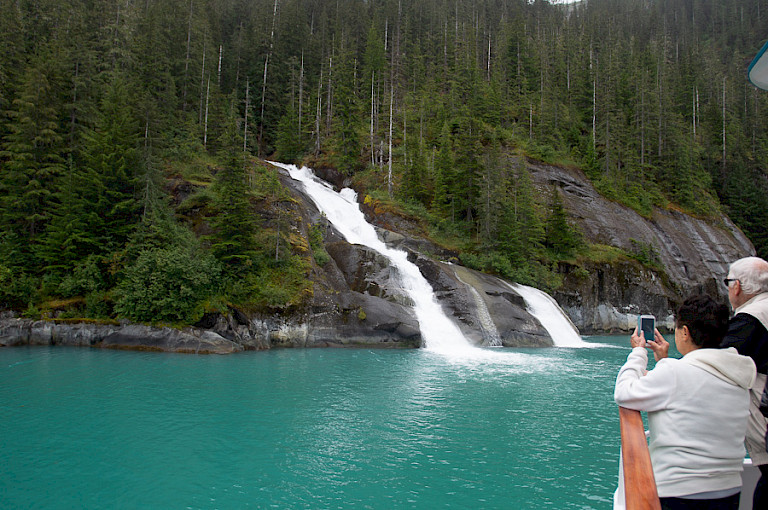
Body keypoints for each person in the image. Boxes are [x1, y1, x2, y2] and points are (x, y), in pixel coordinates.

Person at [615, 294, 756, 510]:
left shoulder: (674, 373)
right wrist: (664, 361)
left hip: (679, 491)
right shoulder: (738, 373)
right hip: (729, 491)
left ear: (685, 332)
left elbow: (625, 393)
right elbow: (695, 386)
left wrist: (638, 353)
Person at [720, 256, 768, 507]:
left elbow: (717, 362)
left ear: (736, 286)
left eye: (728, 282)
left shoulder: (750, 319)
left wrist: (665, 364)